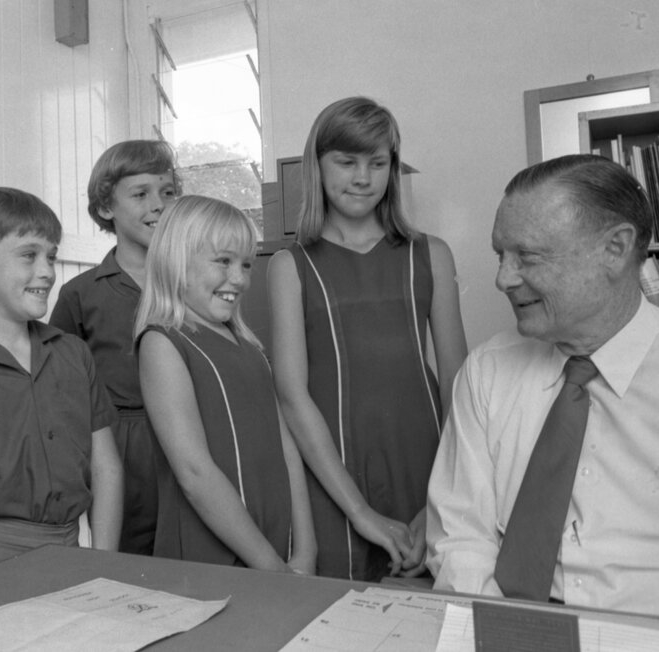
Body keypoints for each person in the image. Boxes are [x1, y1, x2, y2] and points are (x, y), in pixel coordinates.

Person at [427, 154, 659, 615]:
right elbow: (460, 539)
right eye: (500, 255)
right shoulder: (488, 371)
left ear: (615, 249)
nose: (502, 278)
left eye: (527, 256)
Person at [267, 97, 466, 581]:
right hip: (333, 476)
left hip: (428, 468)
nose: (363, 177)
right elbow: (292, 398)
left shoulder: (431, 254)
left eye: (377, 163)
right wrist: (359, 512)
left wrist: (438, 501)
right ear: (317, 165)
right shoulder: (289, 266)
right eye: (347, 161)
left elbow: (461, 387)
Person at [0, 187, 123, 577]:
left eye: (50, 255)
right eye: (29, 255)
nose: (48, 270)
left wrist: (104, 563)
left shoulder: (74, 354)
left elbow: (107, 469)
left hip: (72, 545)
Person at [135, 195, 316, 573]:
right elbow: (194, 473)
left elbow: (286, 448)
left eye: (246, 265)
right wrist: (270, 566)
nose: (240, 278)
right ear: (178, 262)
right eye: (223, 261)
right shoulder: (164, 343)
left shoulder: (250, 347)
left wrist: (306, 548)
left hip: (276, 549)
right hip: (210, 561)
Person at [49, 140, 179, 555]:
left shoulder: (196, 285)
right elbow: (60, 389)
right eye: (140, 194)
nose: (158, 205)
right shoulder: (80, 295)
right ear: (107, 207)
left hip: (190, 435)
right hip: (121, 447)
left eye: (168, 192)